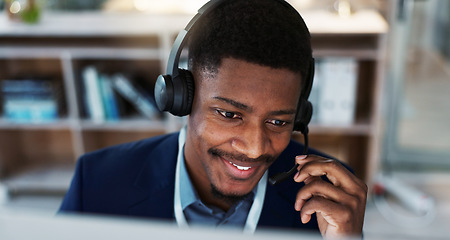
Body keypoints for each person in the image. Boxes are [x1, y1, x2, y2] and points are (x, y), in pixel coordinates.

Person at [59, 0, 367, 239]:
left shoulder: (332, 203)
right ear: (182, 97)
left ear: (299, 116)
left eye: (278, 122)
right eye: (230, 115)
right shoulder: (97, 184)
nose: (254, 148)